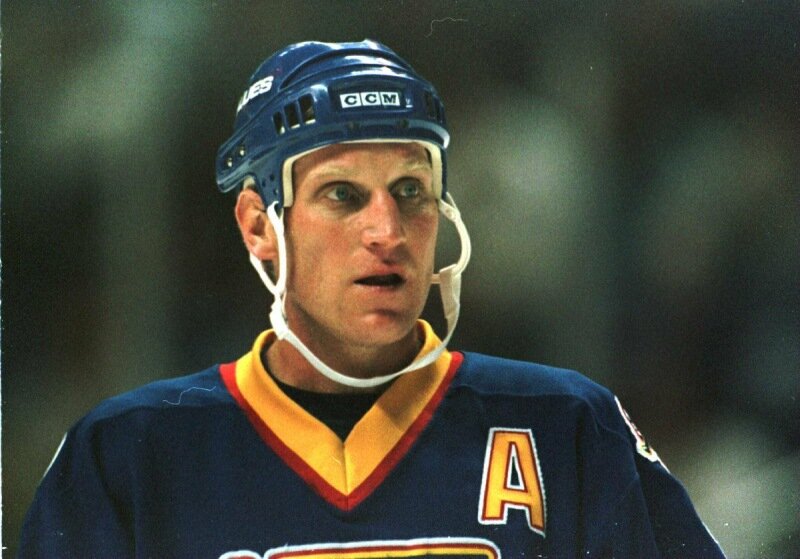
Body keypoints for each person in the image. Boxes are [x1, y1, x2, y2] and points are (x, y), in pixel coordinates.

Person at [19, 40, 725, 558]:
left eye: (410, 190)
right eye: (343, 195)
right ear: (259, 226)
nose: (387, 231)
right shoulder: (129, 453)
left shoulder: (568, 427)